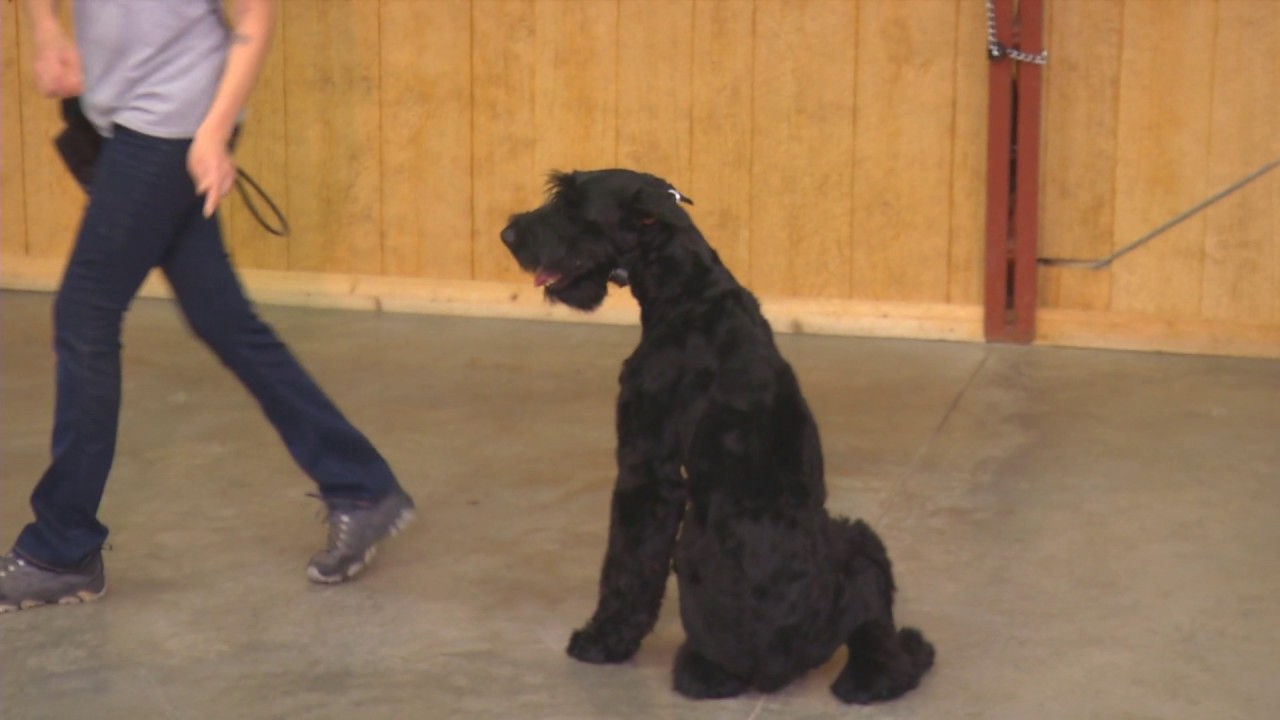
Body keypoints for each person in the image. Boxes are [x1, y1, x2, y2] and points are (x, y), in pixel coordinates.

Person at [0, 0, 415, 613]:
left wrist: (215, 133)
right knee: (222, 318)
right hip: (120, 115)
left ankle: (62, 548)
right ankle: (361, 487)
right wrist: (46, 29)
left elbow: (253, 18)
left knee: (85, 313)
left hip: (175, 125)